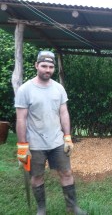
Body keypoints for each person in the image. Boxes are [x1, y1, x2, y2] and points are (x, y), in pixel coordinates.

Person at [15, 51, 87, 215]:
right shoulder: (25, 90)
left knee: (66, 173)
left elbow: (64, 113)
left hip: (57, 141)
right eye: (44, 66)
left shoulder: (58, 88)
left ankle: (72, 207)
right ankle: (41, 209)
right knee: (37, 176)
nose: (47, 70)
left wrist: (67, 137)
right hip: (35, 144)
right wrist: (22, 145)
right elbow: (21, 119)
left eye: (51, 67)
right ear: (36, 66)